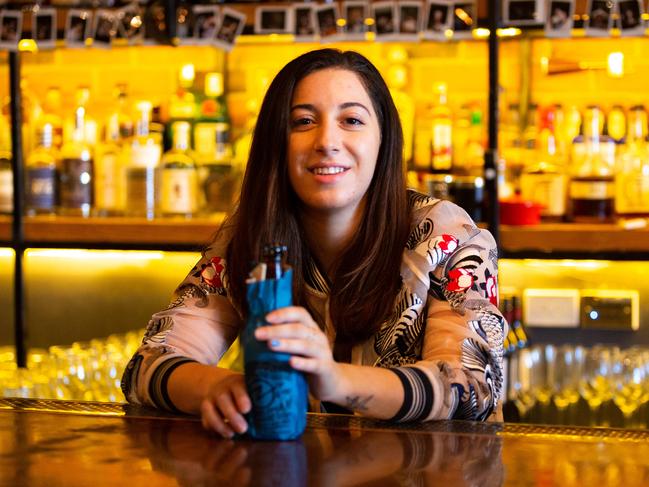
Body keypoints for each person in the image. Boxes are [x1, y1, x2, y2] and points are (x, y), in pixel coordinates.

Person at [121, 49, 506, 438]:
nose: (327, 141)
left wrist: (336, 380)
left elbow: (471, 388)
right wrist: (213, 387)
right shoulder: (251, 235)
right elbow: (147, 366)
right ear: (277, 143)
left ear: (383, 141)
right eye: (303, 122)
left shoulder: (445, 235)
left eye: (351, 120)